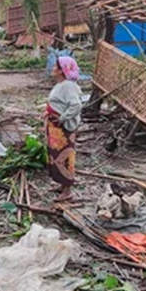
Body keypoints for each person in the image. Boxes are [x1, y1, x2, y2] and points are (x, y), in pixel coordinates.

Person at [46, 56, 82, 202]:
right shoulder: (61, 84)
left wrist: (62, 118)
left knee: (64, 156)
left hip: (62, 129)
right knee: (56, 155)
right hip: (56, 129)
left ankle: (67, 190)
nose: (53, 68)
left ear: (62, 71)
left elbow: (76, 105)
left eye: (56, 67)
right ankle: (62, 184)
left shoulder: (68, 85)